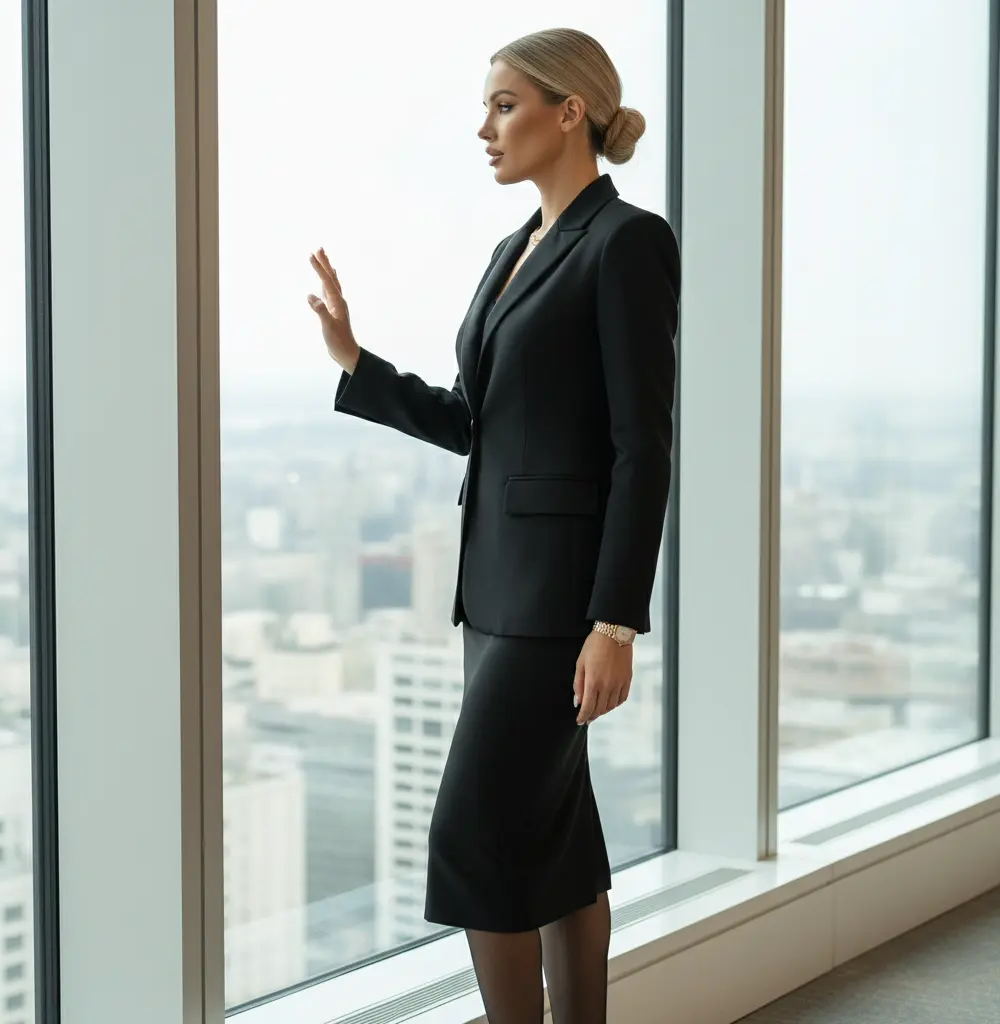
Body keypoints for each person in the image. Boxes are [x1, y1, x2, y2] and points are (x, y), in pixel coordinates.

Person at [307, 26, 679, 1024]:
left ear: (569, 112)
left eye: (504, 105)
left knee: (474, 835)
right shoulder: (511, 249)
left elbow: (641, 446)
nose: (483, 128)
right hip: (496, 596)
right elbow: (476, 421)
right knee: (552, 838)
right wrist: (356, 362)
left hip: (560, 603)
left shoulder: (626, 241)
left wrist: (614, 621)